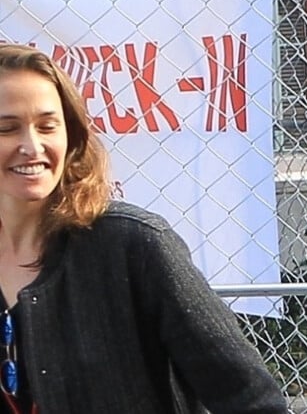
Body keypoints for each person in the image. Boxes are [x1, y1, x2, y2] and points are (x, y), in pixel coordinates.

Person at [0, 43, 288, 414]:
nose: (32, 146)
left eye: (47, 126)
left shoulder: (134, 244)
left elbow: (251, 399)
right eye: (7, 128)